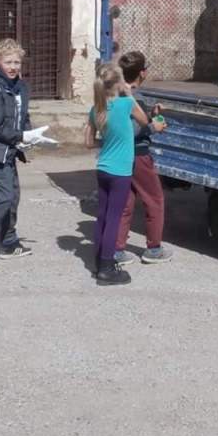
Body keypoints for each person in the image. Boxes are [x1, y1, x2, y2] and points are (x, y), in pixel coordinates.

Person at [0, 38, 55, 264]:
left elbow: (22, 116)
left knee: (13, 197)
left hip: (11, 149)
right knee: (4, 197)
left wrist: (29, 136)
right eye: (8, 62)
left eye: (17, 62)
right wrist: (21, 137)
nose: (13, 67)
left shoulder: (20, 87)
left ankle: (8, 243)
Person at [85, 63, 150, 286]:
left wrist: (106, 142)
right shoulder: (126, 104)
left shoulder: (96, 109)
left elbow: (88, 142)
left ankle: (98, 259)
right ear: (119, 83)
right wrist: (129, 93)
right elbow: (144, 121)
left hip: (103, 167)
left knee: (103, 216)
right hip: (120, 171)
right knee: (115, 217)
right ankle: (107, 267)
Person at [113, 51, 173, 265]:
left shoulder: (118, 93)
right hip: (137, 155)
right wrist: (154, 126)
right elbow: (131, 130)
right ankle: (154, 249)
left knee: (125, 203)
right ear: (142, 73)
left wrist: (152, 115)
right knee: (154, 200)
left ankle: (117, 249)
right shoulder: (133, 98)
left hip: (120, 157)